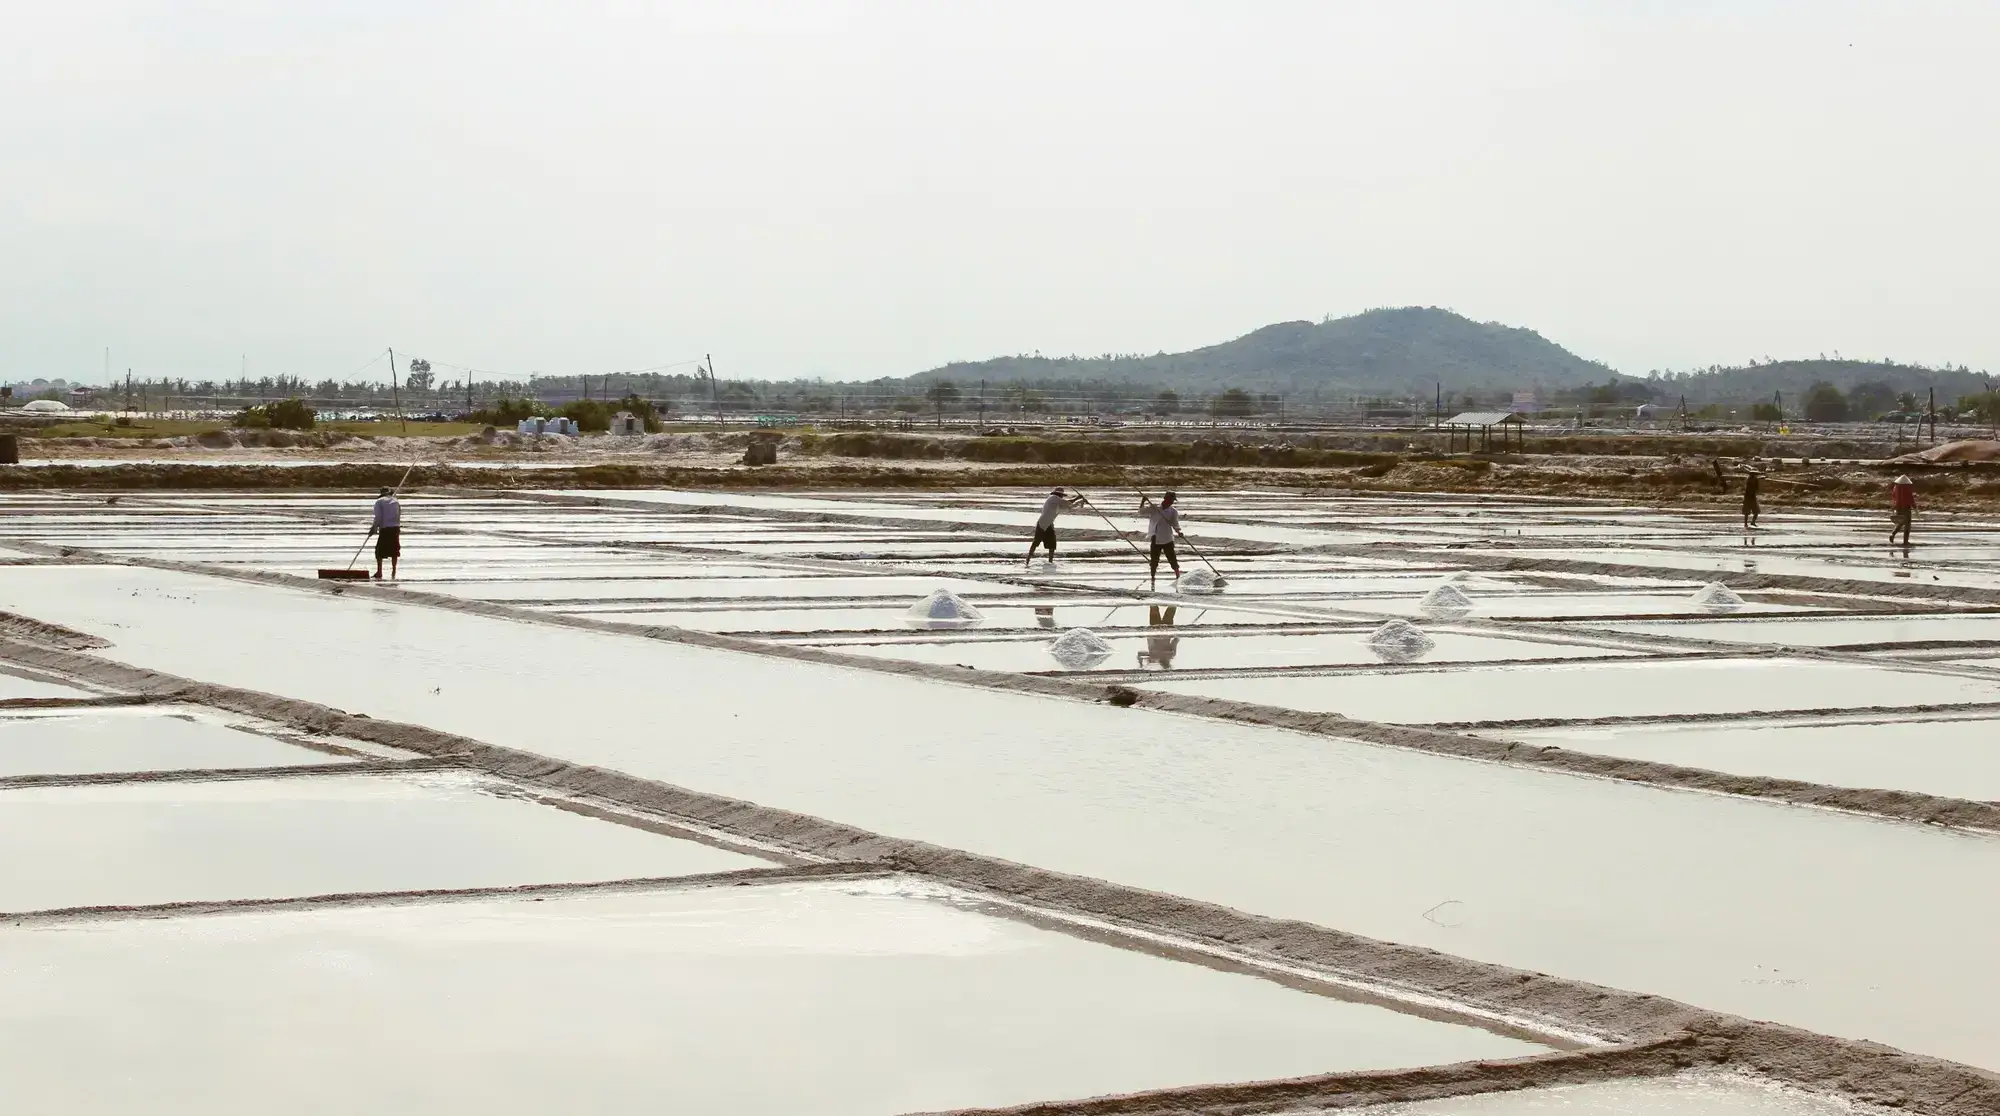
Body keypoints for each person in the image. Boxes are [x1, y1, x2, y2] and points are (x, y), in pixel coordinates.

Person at [1027, 487, 1084, 566]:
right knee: (1036, 542)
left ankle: (1050, 562)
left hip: (1049, 524)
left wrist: (1080, 501)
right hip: (1042, 523)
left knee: (1052, 545)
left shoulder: (1057, 503)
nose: (1062, 496)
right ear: (1059, 494)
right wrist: (1078, 498)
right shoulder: (1053, 498)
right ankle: (1027, 561)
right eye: (1061, 495)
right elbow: (1068, 502)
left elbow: (1070, 506)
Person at [1140, 491, 1181, 587]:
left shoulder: (1173, 511)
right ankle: (1152, 577)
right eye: (1170, 500)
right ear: (1165, 499)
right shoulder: (1155, 508)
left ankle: (1178, 575)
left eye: (1172, 500)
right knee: (1154, 560)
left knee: (1172, 559)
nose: (1171, 502)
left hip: (1167, 538)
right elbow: (1141, 512)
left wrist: (1179, 532)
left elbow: (1175, 524)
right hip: (1155, 537)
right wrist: (1143, 501)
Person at [372, 486, 402, 580]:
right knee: (394, 550)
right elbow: (399, 514)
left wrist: (374, 528)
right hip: (395, 528)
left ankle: (379, 572)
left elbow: (378, 517)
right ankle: (394, 570)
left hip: (385, 528)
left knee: (379, 551)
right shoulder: (396, 501)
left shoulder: (379, 502)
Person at [1890, 474, 1916, 547]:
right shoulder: (1907, 488)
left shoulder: (1895, 488)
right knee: (1907, 525)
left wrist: (1894, 506)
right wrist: (1914, 507)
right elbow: (1910, 498)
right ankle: (1905, 541)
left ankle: (1893, 534)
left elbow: (1894, 497)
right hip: (1906, 508)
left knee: (1901, 522)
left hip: (1898, 507)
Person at [1740, 465, 1762, 530]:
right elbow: (1749, 489)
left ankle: (1752, 522)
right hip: (1748, 497)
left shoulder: (1753, 479)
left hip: (1751, 497)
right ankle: (1746, 523)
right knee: (1747, 512)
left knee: (1756, 511)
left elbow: (1756, 488)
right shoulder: (1750, 480)